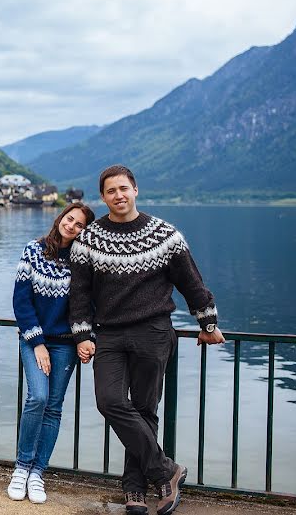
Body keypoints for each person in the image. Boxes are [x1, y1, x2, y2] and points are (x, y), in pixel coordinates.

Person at [68, 165, 225, 515]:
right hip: (108, 334)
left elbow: (191, 283)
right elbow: (78, 294)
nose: (118, 196)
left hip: (153, 332)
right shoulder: (88, 239)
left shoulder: (165, 235)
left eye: (123, 188)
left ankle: (135, 490)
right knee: (109, 401)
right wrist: (82, 334)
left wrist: (208, 322)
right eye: (111, 191)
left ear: (135, 190)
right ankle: (166, 471)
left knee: (144, 411)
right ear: (103, 197)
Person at [7, 202, 95, 503]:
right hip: (36, 340)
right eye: (69, 219)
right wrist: (38, 343)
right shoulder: (33, 250)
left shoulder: (82, 261)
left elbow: (86, 305)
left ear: (84, 231)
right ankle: (21, 467)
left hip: (67, 343)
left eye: (79, 225)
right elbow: (21, 302)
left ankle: (37, 473)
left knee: (54, 406)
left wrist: (86, 338)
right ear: (60, 218)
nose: (72, 226)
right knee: (38, 398)